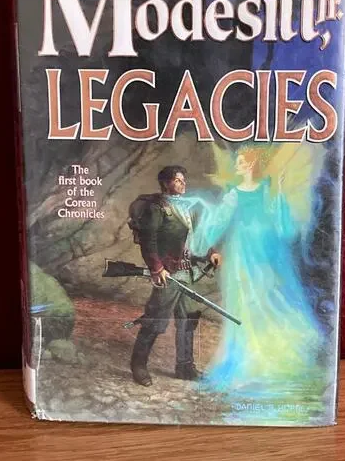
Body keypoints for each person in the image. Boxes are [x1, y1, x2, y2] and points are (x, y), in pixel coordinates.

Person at [190, 145, 324, 398]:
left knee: (269, 299)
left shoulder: (266, 190)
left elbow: (281, 223)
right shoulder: (234, 194)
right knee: (245, 303)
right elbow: (219, 221)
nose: (237, 166)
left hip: (267, 254)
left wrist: (279, 192)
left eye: (241, 162)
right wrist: (200, 242)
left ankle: (274, 361)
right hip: (241, 254)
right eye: (237, 162)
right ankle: (248, 365)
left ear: (251, 164)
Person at [130, 165, 221, 387]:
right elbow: (148, 241)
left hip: (188, 273)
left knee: (188, 320)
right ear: (165, 183)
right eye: (178, 180)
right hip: (168, 274)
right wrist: (156, 269)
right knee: (154, 320)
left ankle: (185, 367)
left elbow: (198, 236)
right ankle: (138, 366)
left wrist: (211, 252)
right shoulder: (157, 209)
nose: (183, 184)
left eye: (183, 180)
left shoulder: (187, 207)